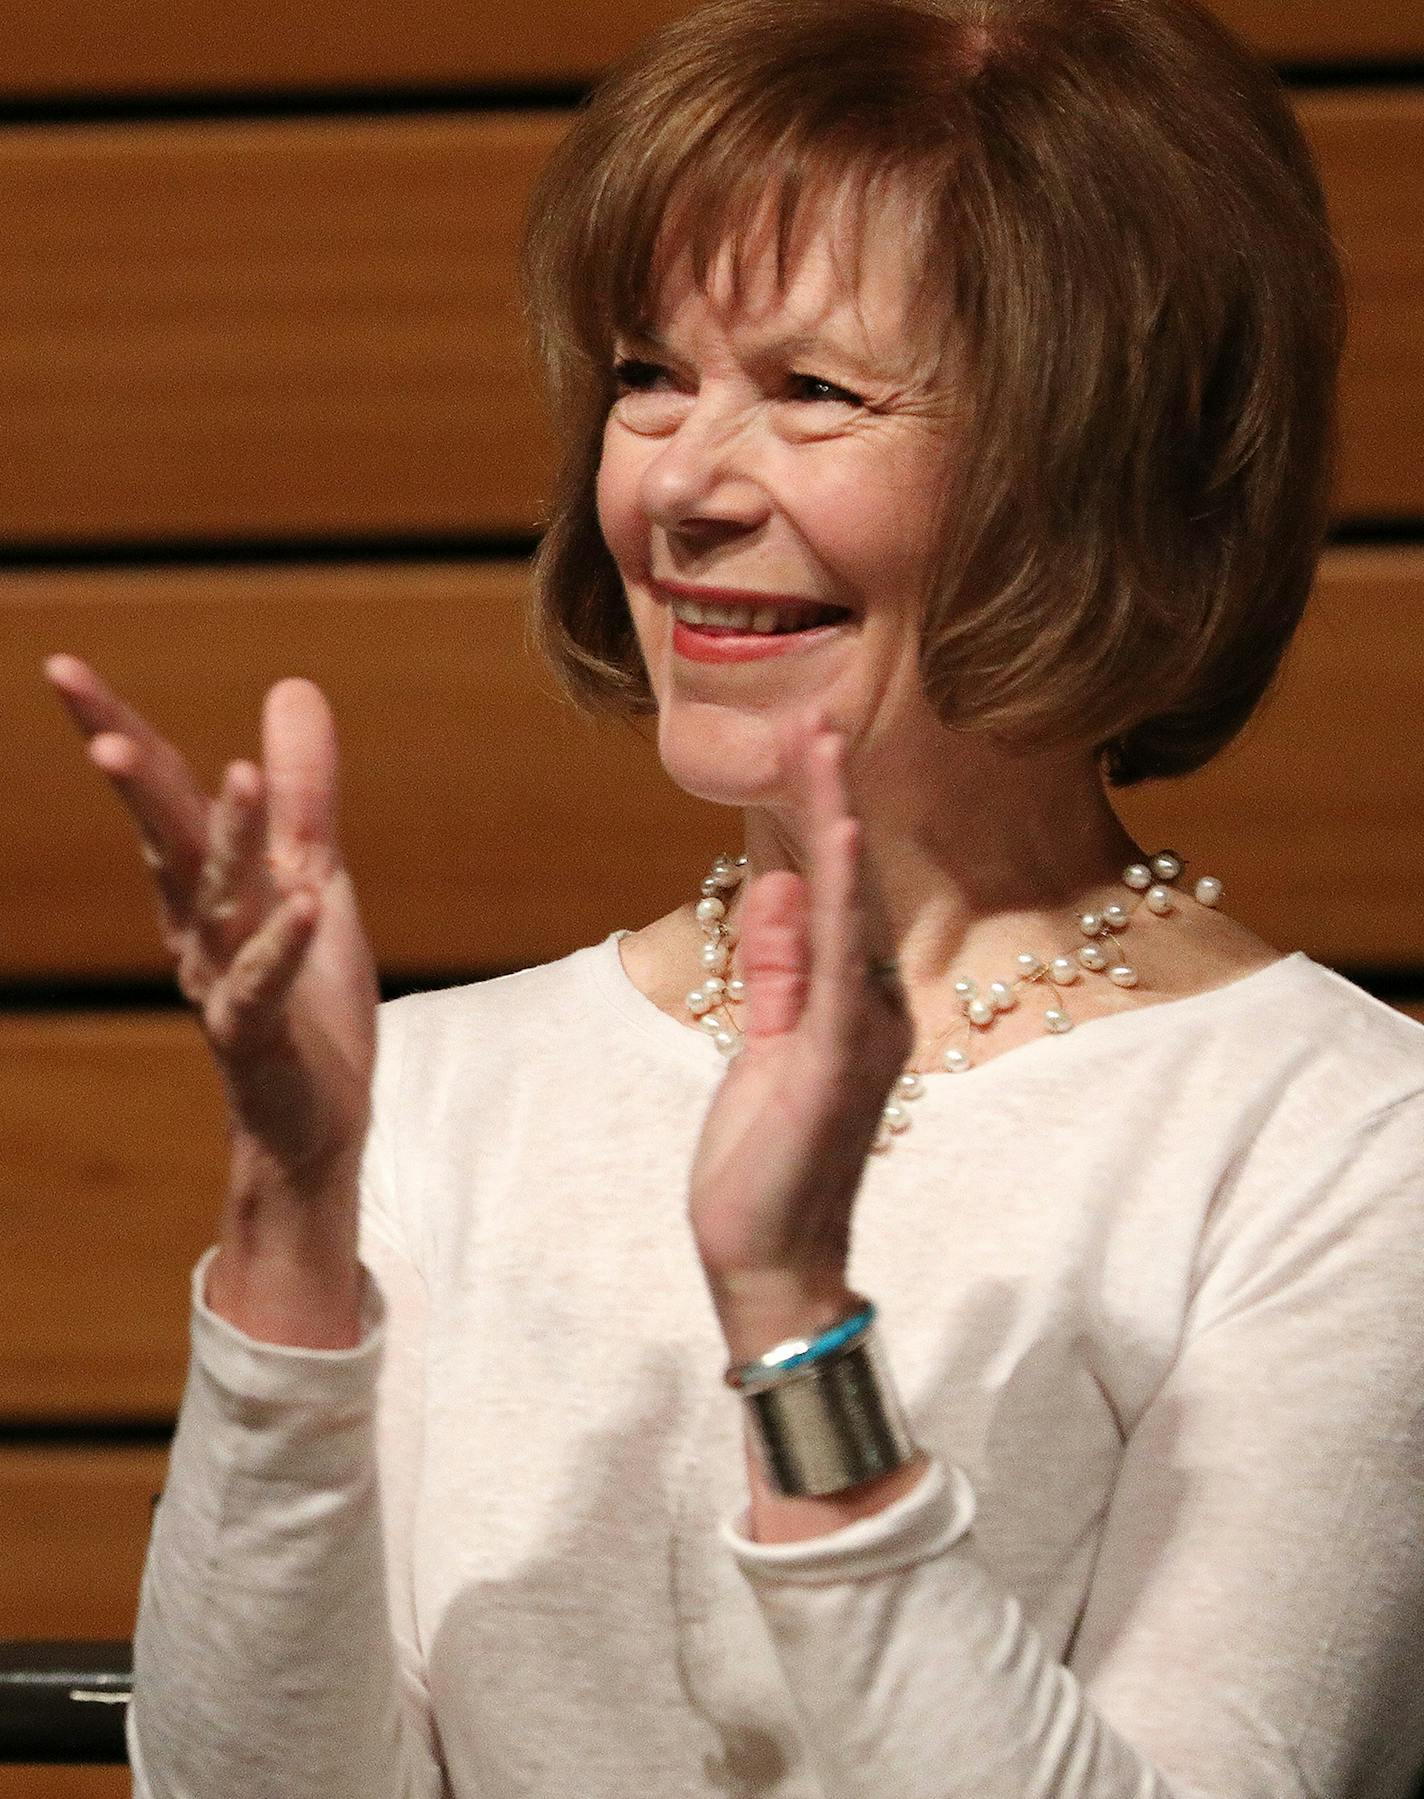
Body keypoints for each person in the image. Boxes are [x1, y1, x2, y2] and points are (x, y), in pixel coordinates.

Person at [43, 0, 1424, 1792]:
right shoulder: (443, 1091)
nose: (678, 485)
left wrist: (790, 1317)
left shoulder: (1342, 1148)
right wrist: (297, 1213)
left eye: (811, 391)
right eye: (646, 375)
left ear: (1104, 466)